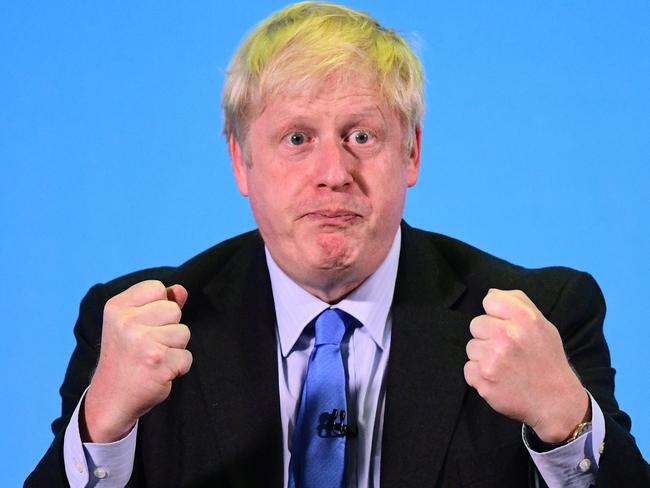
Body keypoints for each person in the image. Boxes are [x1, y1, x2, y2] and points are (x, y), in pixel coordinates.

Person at [26, 2, 649, 487]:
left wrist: (568, 422)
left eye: (361, 135)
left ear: (411, 154)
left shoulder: (541, 315)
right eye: (296, 138)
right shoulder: (140, 325)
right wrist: (102, 424)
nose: (333, 171)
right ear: (241, 162)